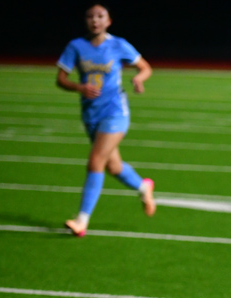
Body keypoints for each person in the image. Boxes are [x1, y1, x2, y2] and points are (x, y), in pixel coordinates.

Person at [56, 4, 156, 237]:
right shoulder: (76, 46)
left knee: (96, 161)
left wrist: (139, 79)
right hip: (91, 113)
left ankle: (81, 221)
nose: (95, 20)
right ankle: (144, 187)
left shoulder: (118, 44)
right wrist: (79, 87)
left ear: (108, 21)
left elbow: (145, 67)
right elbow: (61, 79)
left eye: (100, 16)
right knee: (114, 167)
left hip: (115, 112)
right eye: (90, 16)